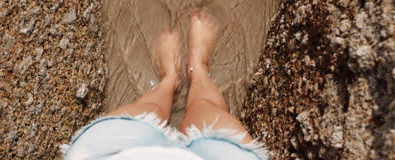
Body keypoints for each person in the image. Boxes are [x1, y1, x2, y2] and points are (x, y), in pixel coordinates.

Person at [61, 9, 269, 160]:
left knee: (150, 111)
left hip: (112, 153)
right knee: (205, 108)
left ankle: (169, 80)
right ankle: (197, 69)